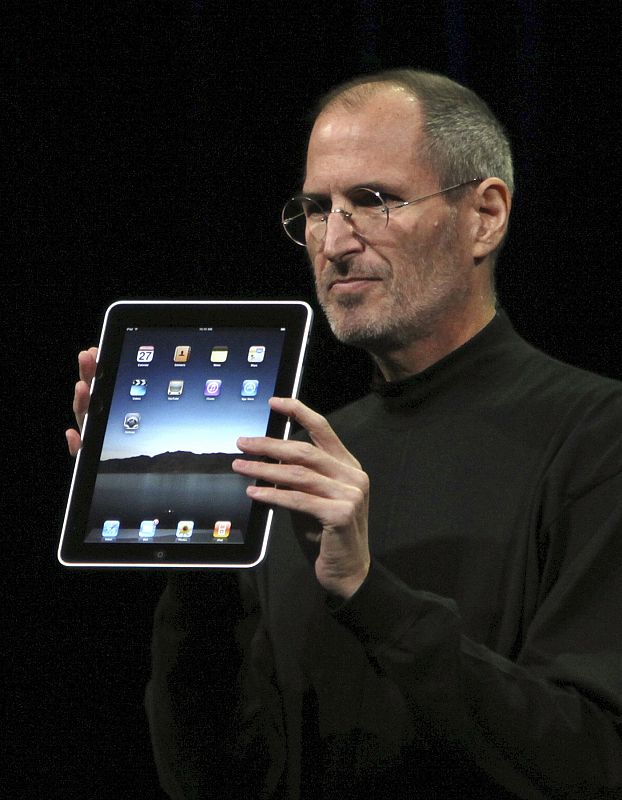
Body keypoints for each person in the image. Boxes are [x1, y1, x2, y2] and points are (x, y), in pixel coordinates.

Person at [67, 70, 622, 799]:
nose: (333, 243)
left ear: (485, 216)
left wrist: (365, 591)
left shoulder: (597, 434)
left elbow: (595, 762)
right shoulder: (297, 465)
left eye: (373, 201)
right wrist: (200, 573)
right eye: (316, 209)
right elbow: (216, 780)